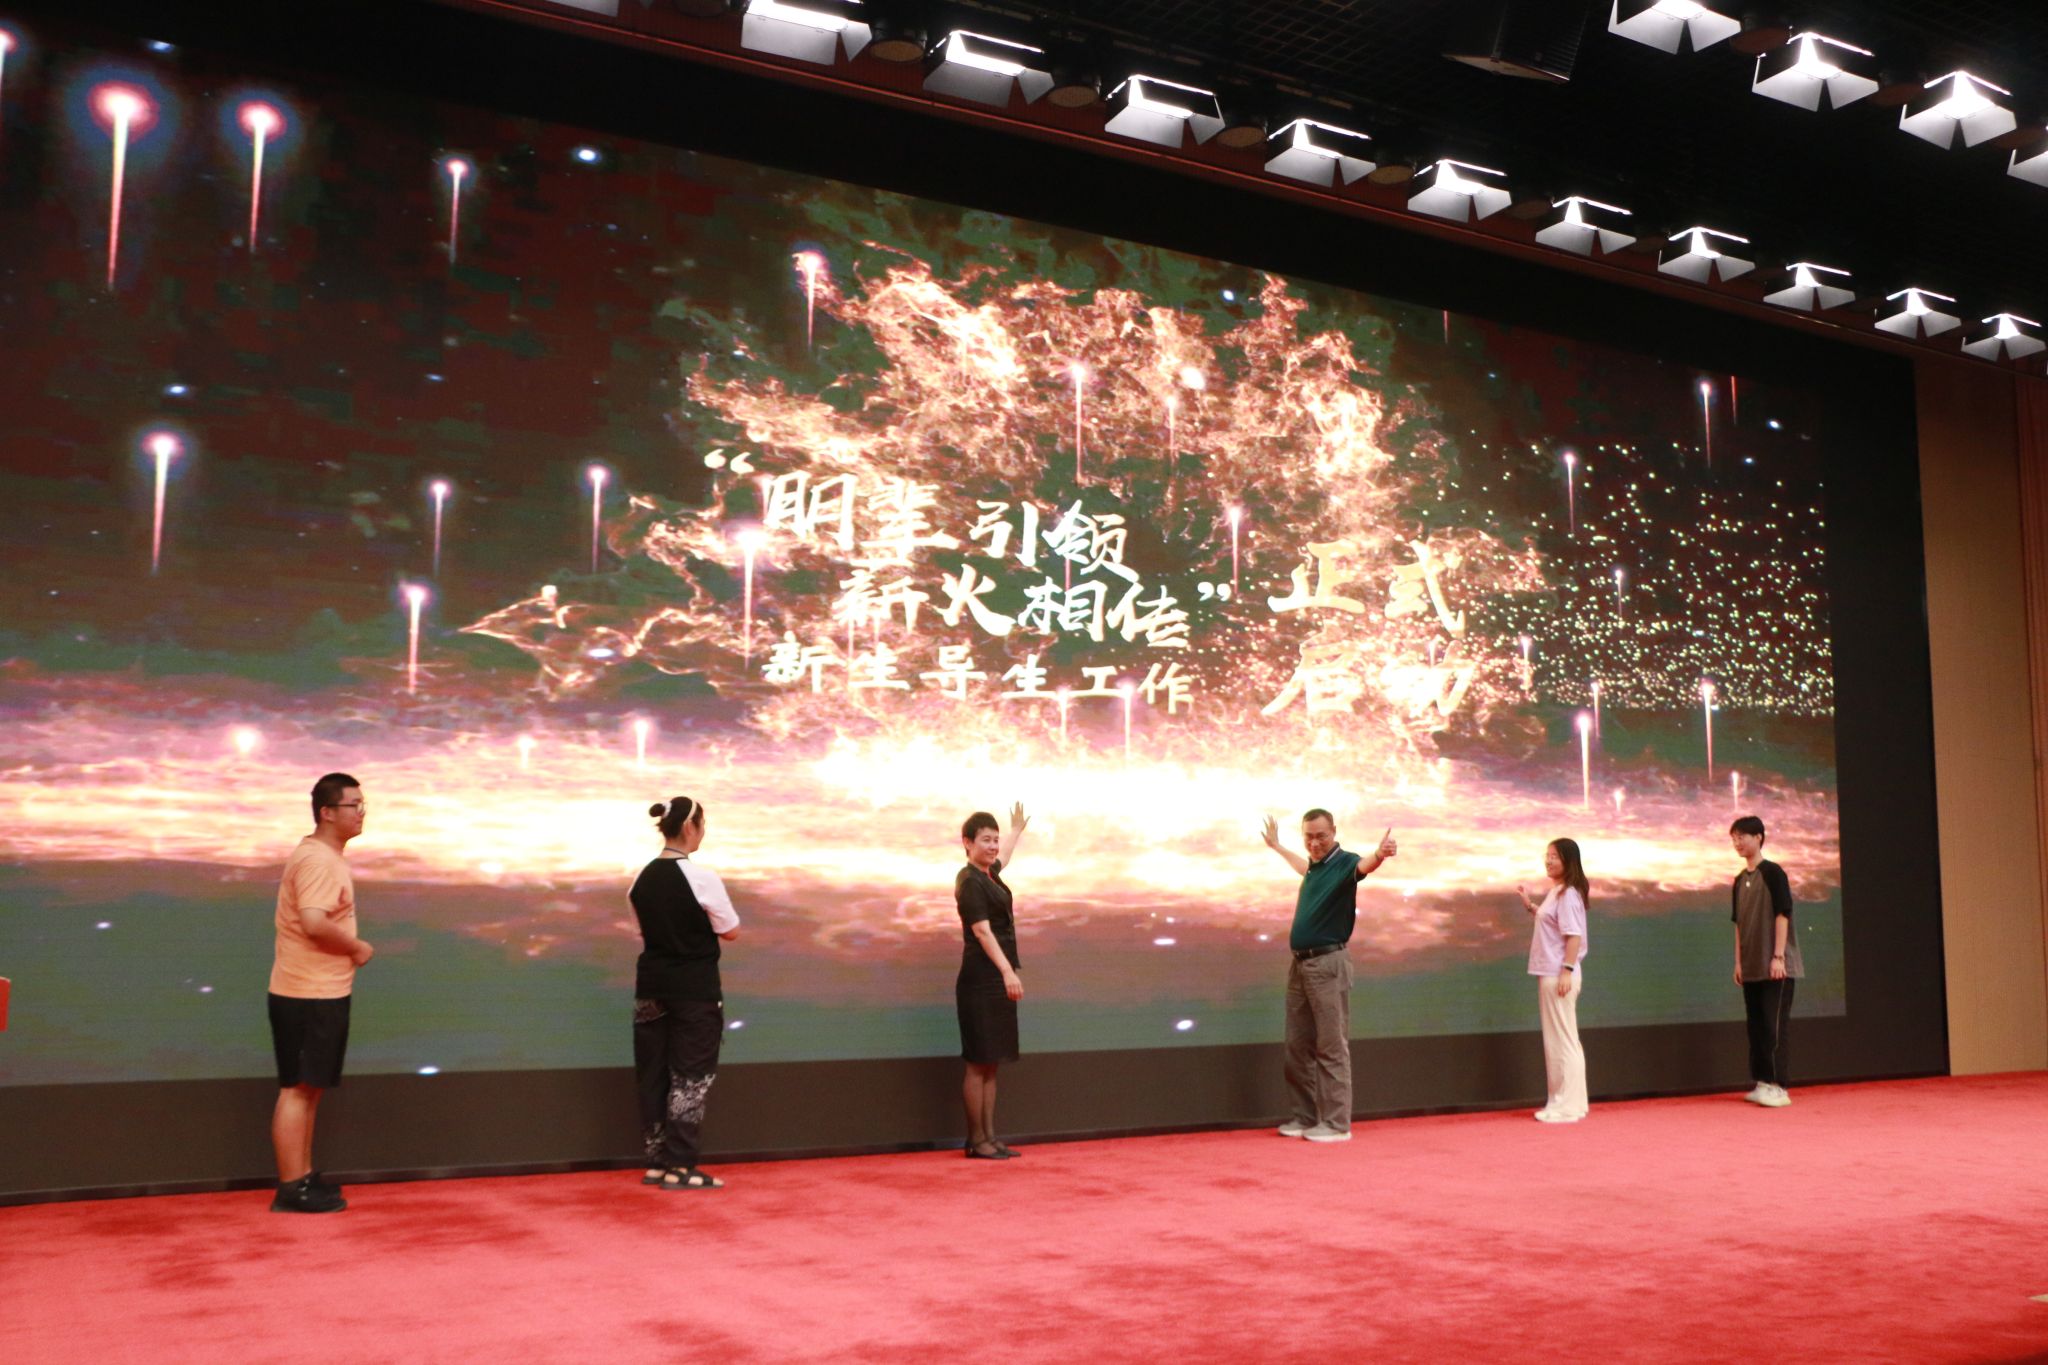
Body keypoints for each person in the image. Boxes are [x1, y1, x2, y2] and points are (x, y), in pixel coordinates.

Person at [267, 772, 375, 1214]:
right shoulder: (318, 860)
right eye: (354, 805)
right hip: (306, 993)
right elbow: (313, 922)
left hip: (318, 990)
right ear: (327, 812)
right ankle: (292, 1187)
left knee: (308, 1089)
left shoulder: (324, 856)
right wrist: (356, 947)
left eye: (363, 805)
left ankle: (303, 1176)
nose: (362, 813)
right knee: (298, 1089)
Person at [1260, 809, 1398, 1142]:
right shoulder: (1315, 867)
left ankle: (1336, 1124)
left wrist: (1380, 854)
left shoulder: (1344, 863)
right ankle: (1305, 1117)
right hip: (1300, 966)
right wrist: (1278, 847)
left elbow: (1364, 866)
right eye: (1308, 837)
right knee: (1297, 1046)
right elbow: (1303, 867)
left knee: (1331, 1046)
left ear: (1333, 831)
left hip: (1327, 965)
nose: (1314, 843)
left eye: (1321, 836)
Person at [630, 796, 741, 1190]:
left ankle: (657, 1163)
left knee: (654, 1074)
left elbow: (645, 932)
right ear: (691, 827)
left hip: (651, 988)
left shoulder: (640, 880)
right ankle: (681, 1165)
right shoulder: (701, 877)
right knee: (691, 1077)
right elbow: (730, 929)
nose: (703, 832)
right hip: (694, 990)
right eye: (703, 824)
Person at [956, 803, 1028, 1160]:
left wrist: (1015, 832)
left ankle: (990, 1137)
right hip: (980, 980)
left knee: (991, 1063)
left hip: (996, 980)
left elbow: (1005, 858)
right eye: (986, 840)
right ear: (967, 843)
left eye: (995, 840)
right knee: (977, 1063)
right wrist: (1007, 971)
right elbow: (983, 932)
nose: (993, 846)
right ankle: (976, 1140)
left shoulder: (989, 875)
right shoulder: (969, 881)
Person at [1729, 815, 1801, 1107]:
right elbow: (1738, 925)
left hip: (1776, 967)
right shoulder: (1738, 881)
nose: (1737, 842)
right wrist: (1738, 963)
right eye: (1734, 838)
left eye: (1742, 836)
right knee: (1756, 1027)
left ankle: (1778, 1087)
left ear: (1758, 837)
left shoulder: (1773, 873)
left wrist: (1778, 956)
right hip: (1751, 967)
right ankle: (1762, 1081)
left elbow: (1783, 914)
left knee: (1774, 1026)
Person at [1518, 838, 1590, 1124]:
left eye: (1554, 857)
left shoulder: (1568, 894)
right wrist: (1531, 907)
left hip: (1559, 974)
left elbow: (1573, 936)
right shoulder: (1558, 892)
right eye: (1546, 856)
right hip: (1551, 972)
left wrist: (1567, 971)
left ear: (1568, 861)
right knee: (1559, 1041)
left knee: (1563, 1042)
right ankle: (1565, 1102)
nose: (1548, 861)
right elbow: (1552, 923)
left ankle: (1568, 1106)